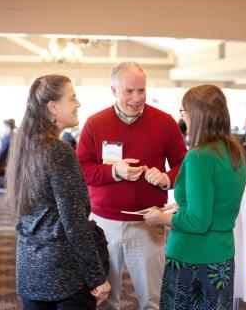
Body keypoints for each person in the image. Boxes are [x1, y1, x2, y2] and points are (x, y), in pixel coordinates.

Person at [76, 62, 187, 310]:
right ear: (114, 90)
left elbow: (184, 164)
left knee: (153, 300)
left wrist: (167, 177)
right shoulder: (95, 123)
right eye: (129, 91)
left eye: (141, 90)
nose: (136, 98)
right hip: (103, 224)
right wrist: (114, 171)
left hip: (148, 222)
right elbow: (81, 168)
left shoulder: (165, 122)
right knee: (105, 299)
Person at [5, 75, 110, 309]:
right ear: (52, 107)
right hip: (64, 273)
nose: (78, 103)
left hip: (31, 267)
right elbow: (74, 222)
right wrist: (97, 277)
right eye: (72, 98)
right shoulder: (58, 151)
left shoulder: (25, 146)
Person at [144, 84, 246, 309]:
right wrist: (180, 205)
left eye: (183, 112)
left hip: (192, 257)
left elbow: (198, 222)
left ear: (196, 115)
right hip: (222, 254)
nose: (183, 119)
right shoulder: (234, 152)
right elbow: (217, 201)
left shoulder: (199, 157)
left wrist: (160, 219)